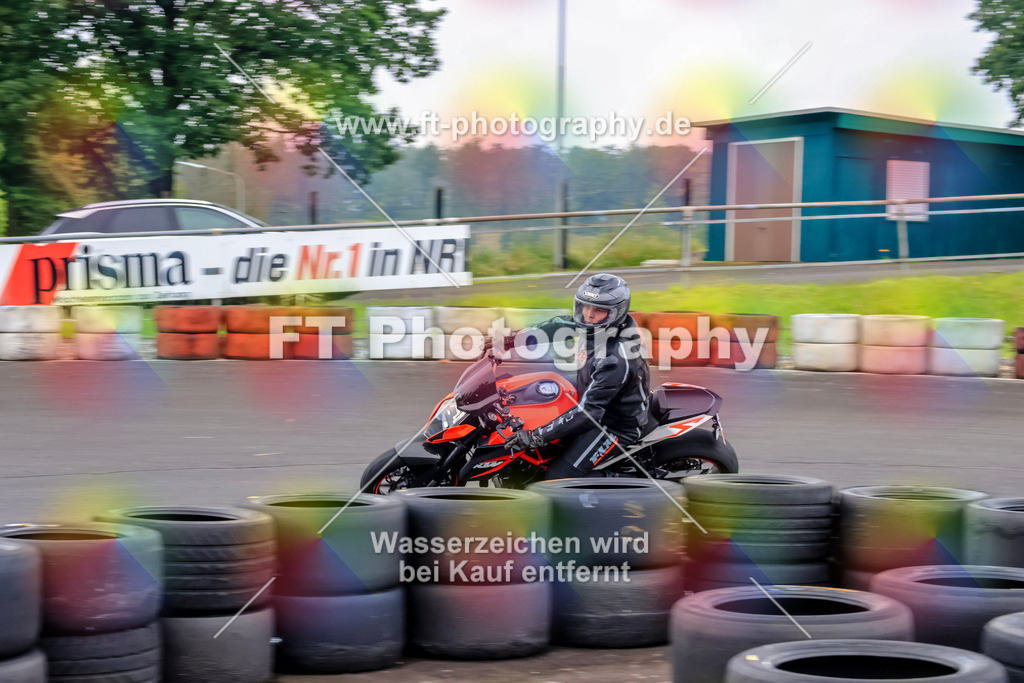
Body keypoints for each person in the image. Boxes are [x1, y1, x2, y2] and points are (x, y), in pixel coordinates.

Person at [503, 273, 650, 479]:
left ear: (616, 313)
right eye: (585, 306)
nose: (588, 314)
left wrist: (535, 437)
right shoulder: (596, 326)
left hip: (614, 426)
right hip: (591, 393)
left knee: (557, 478)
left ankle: (619, 488)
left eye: (598, 309)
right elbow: (558, 324)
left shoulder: (616, 357)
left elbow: (589, 414)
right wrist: (512, 339)